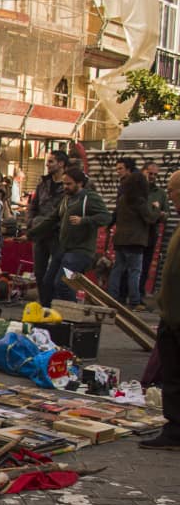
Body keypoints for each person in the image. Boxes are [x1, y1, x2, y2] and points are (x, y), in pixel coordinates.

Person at [29, 167, 111, 306]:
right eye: (64, 184)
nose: (65, 187)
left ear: (79, 183)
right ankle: (49, 315)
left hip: (80, 252)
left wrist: (84, 220)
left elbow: (106, 217)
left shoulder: (89, 198)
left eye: (69, 184)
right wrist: (30, 235)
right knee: (47, 282)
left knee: (63, 283)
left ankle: (73, 315)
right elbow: (52, 219)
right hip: (64, 250)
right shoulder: (66, 199)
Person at [139, 170, 180, 451]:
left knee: (175, 376)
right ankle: (173, 429)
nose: (169, 196)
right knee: (172, 375)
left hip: (177, 317)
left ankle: (175, 430)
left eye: (171, 190)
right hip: (171, 314)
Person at [107, 171, 161, 311]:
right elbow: (150, 218)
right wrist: (156, 209)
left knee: (117, 269)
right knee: (134, 271)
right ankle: (135, 301)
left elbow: (114, 216)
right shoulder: (140, 201)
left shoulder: (123, 199)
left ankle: (111, 297)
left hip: (120, 240)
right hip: (135, 242)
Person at [26, 150, 68, 302]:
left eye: (51, 161)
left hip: (57, 235)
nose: (47, 164)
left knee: (56, 273)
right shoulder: (43, 183)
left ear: (61, 163)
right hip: (40, 234)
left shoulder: (68, 184)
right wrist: (30, 222)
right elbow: (33, 205)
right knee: (39, 272)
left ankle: (55, 304)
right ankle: (44, 304)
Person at [142, 162, 167, 299]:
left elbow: (166, 214)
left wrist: (161, 214)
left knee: (145, 267)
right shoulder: (137, 190)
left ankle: (139, 293)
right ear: (143, 172)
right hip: (137, 235)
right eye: (149, 173)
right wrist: (156, 211)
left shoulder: (160, 194)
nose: (152, 177)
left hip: (151, 235)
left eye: (155, 175)